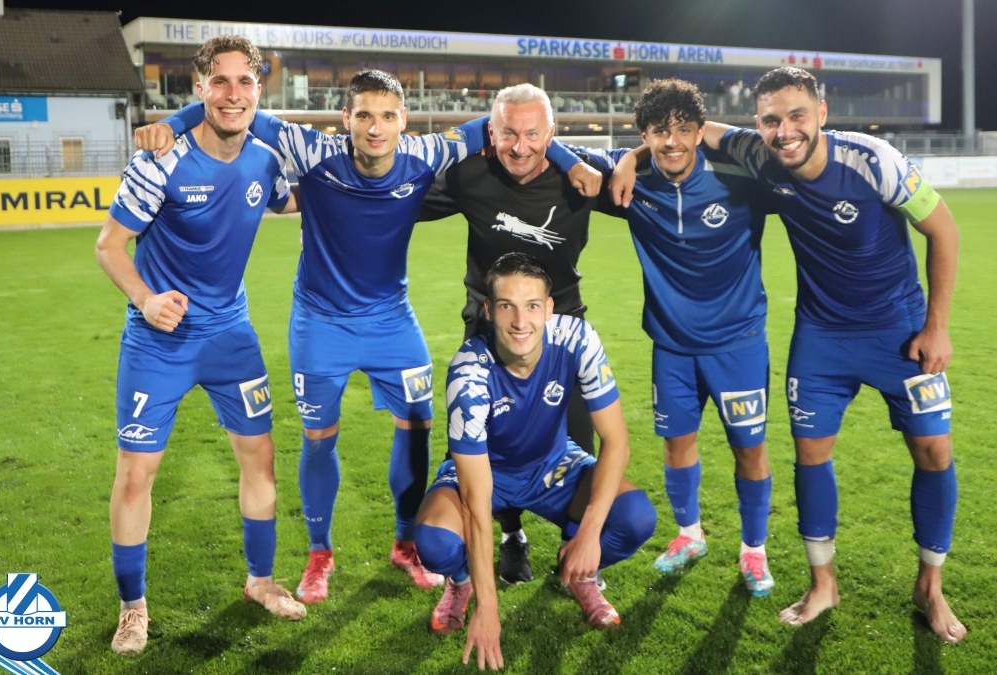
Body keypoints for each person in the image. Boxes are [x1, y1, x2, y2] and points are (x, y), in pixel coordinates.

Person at [136, 70, 601, 605]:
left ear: (403, 121)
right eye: (363, 116)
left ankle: (406, 545)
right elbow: (236, 109)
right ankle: (319, 555)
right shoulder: (314, 151)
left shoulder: (425, 153)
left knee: (419, 424)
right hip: (321, 323)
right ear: (346, 120)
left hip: (390, 321)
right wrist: (174, 122)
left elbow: (503, 125)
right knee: (318, 437)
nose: (375, 128)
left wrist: (568, 158)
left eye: (386, 116)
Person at [617, 66, 965, 642]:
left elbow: (944, 230)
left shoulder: (874, 160)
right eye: (771, 120)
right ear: (758, 124)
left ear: (821, 113)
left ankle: (930, 585)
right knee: (810, 456)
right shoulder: (758, 155)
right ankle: (822, 584)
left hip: (900, 334)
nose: (785, 131)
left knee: (934, 450)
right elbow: (691, 132)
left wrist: (937, 326)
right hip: (821, 337)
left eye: (797, 115)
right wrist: (632, 158)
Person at [97, 36, 305, 656]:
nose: (232, 94)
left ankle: (261, 582)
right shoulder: (160, 160)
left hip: (231, 338)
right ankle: (133, 609)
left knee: (260, 459)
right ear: (200, 88)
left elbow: (295, 201)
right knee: (136, 474)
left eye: (245, 82)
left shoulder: (267, 158)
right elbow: (109, 246)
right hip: (158, 341)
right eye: (220, 81)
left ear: (259, 89)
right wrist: (145, 299)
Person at [577, 79, 776, 596]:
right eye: (658, 132)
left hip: (738, 343)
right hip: (671, 346)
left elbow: (784, 151)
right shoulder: (630, 180)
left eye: (685, 130)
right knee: (677, 443)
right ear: (643, 134)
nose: (672, 142)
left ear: (700, 131)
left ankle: (754, 551)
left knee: (749, 449)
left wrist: (637, 153)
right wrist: (628, 160)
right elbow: (553, 151)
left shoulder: (740, 174)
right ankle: (689, 535)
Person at [413, 253, 657, 670]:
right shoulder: (469, 372)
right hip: (486, 473)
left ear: (549, 308)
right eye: (506, 306)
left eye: (531, 306)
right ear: (488, 311)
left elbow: (616, 441)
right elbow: (476, 501)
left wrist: (589, 535)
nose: (520, 321)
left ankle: (580, 573)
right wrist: (488, 606)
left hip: (553, 464)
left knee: (636, 518)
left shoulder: (577, 338)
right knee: (435, 543)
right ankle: (463, 581)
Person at [416, 83, 606, 586]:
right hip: (490, 333)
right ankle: (511, 535)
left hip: (563, 330)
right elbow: (397, 191)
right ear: (490, 132)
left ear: (552, 133)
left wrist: (606, 164)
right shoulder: (470, 175)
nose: (520, 147)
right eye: (507, 133)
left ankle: (576, 553)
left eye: (533, 134)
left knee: (578, 440)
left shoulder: (581, 177)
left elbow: (648, 175)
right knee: (495, 444)